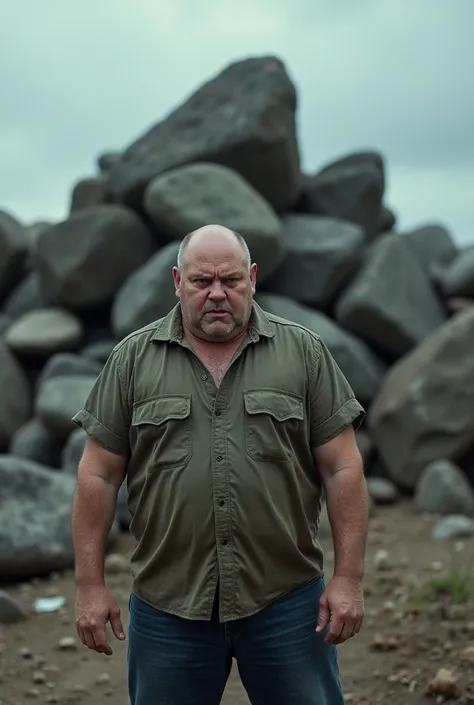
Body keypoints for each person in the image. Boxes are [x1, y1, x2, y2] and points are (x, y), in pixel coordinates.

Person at [71, 224, 369, 705]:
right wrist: (89, 586)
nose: (216, 294)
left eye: (230, 281)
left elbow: (343, 468)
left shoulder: (303, 352)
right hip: (169, 606)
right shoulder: (132, 359)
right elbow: (98, 475)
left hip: (286, 603)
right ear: (176, 282)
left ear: (252, 278)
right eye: (200, 281)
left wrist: (348, 578)